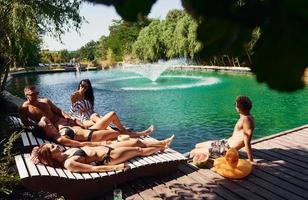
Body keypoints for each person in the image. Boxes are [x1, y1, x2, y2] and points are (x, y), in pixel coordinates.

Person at [19, 86, 154, 147]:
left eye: (37, 92)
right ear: (27, 95)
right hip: (60, 127)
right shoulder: (24, 108)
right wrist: (42, 127)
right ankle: (137, 134)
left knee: (109, 116)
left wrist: (69, 117)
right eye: (33, 94)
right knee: (109, 132)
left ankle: (131, 132)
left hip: (67, 123)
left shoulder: (45, 101)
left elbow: (59, 111)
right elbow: (26, 123)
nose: (36, 95)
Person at [31, 135, 175, 172]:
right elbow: (93, 169)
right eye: (52, 147)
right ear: (51, 155)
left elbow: (87, 147)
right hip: (109, 158)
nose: (55, 146)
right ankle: (162, 146)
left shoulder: (66, 153)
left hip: (107, 148)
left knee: (137, 142)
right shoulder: (69, 163)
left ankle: (162, 143)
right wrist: (116, 168)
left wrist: (105, 144)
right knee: (139, 151)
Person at [190, 96, 255, 162]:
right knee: (197, 145)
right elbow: (241, 136)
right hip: (224, 143)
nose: (235, 107)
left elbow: (247, 141)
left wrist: (251, 160)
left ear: (239, 107)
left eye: (235, 105)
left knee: (192, 152)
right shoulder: (245, 116)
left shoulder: (247, 119)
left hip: (225, 150)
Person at [70, 79, 136, 133]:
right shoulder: (74, 95)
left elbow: (91, 109)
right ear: (80, 85)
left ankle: (119, 131)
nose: (83, 88)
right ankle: (115, 131)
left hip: (93, 115)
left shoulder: (89, 96)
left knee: (99, 118)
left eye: (86, 87)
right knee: (98, 124)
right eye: (82, 85)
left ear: (88, 88)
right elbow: (73, 110)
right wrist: (75, 98)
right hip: (84, 119)